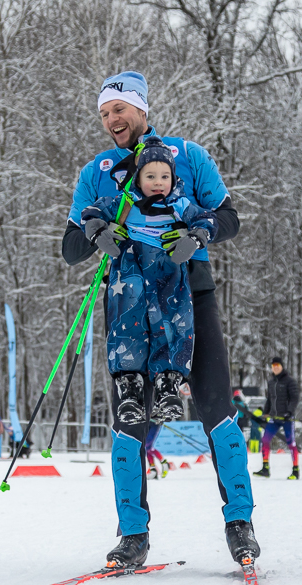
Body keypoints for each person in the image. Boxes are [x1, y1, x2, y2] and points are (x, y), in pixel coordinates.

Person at [62, 71, 258, 568]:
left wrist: (201, 234)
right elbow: (69, 248)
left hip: (190, 296)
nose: (112, 120)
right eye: (105, 113)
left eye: (119, 110)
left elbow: (228, 215)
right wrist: (97, 234)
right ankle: (133, 536)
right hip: (128, 303)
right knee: (130, 418)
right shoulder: (96, 171)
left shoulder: (188, 155)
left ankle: (240, 526)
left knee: (216, 407)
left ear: (142, 108)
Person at [80, 136, 214, 424]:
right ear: (138, 178)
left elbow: (206, 219)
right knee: (126, 326)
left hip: (168, 277)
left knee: (175, 324)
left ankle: (169, 383)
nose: (158, 182)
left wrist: (196, 237)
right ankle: (129, 388)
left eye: (164, 176)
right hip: (129, 276)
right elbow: (91, 212)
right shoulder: (124, 203)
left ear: (173, 178)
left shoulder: (179, 205)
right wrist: (97, 230)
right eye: (150, 175)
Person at [253, 357, 301, 480]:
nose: (275, 367)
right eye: (273, 365)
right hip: (274, 418)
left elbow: (294, 398)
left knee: (291, 443)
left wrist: (289, 412)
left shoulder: (290, 381)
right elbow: (270, 400)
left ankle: (295, 471)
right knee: (265, 440)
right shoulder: (271, 383)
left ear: (282, 366)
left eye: (277, 365)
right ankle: (265, 469)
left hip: (287, 418)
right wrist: (265, 413)